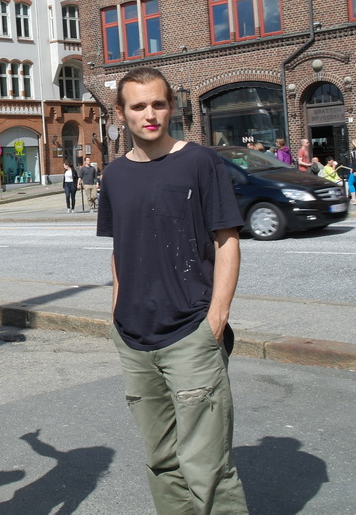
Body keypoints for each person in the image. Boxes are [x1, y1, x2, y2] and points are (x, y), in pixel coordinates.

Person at [96, 66, 248, 515]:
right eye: (138, 106)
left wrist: (215, 320)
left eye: (158, 104)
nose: (150, 114)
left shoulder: (199, 162)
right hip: (133, 338)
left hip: (190, 333)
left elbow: (227, 241)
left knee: (207, 466)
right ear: (120, 113)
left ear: (172, 108)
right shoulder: (115, 175)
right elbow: (121, 249)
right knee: (161, 460)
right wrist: (116, 313)